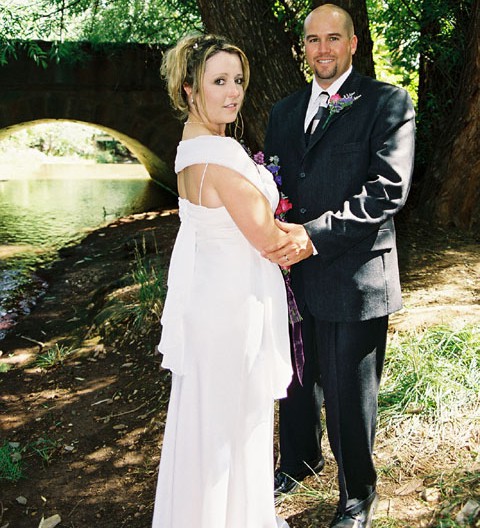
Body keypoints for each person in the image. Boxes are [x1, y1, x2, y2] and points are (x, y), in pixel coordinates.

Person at [263, 4, 415, 528]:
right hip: (291, 272)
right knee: (295, 379)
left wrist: (313, 236)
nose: (322, 50)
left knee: (350, 394)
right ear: (303, 46)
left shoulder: (387, 103)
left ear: (353, 44)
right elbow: (275, 185)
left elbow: (387, 191)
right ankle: (299, 462)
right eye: (312, 40)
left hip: (355, 274)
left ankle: (357, 496)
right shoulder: (283, 112)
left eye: (333, 39)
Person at [151, 34, 293, 528]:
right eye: (218, 82)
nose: (232, 92)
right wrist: (307, 239)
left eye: (237, 81)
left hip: (211, 300)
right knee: (230, 426)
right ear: (189, 89)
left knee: (208, 422)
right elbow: (267, 239)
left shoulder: (190, 150)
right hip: (231, 310)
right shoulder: (221, 156)